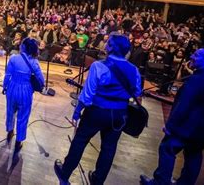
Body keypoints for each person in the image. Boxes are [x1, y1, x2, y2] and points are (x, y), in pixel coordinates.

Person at [54, 34, 142, 185]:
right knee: (109, 149)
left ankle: (65, 172)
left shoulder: (99, 66)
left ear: (111, 48)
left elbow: (87, 95)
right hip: (120, 114)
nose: (105, 45)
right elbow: (137, 95)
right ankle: (97, 180)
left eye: (108, 43)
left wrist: (77, 111)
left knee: (80, 141)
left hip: (98, 111)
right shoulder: (134, 70)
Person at [140, 47, 204, 185]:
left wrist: (170, 125)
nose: (192, 56)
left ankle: (160, 182)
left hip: (186, 126)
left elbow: (184, 105)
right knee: (194, 154)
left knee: (167, 149)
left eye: (197, 55)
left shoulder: (197, 80)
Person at [3, 38, 45, 153]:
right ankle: (18, 141)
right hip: (26, 90)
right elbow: (41, 80)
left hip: (12, 88)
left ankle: (9, 131)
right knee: (23, 117)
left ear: (24, 47)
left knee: (10, 112)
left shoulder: (13, 58)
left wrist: (4, 87)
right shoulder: (34, 62)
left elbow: (7, 75)